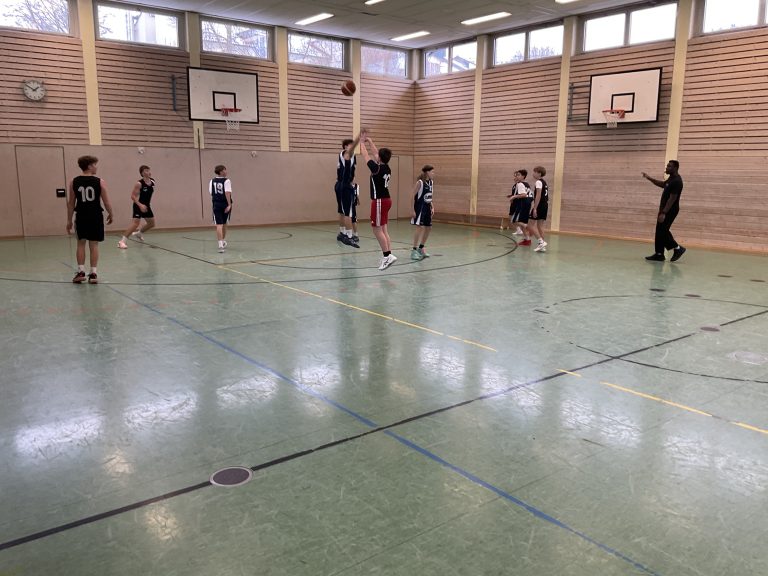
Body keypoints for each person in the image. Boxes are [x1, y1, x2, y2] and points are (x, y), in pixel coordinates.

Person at [66, 155, 114, 284]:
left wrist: (69, 220)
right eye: (95, 164)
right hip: (95, 216)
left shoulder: (73, 181)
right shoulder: (99, 181)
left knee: (81, 243)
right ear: (89, 166)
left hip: (81, 216)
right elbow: (106, 201)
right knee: (94, 245)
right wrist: (111, 213)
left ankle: (81, 272)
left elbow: (71, 203)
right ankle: (93, 274)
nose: (96, 167)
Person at [360, 133, 397, 270]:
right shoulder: (386, 167)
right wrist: (370, 141)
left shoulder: (376, 168)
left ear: (379, 158)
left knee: (376, 230)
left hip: (380, 201)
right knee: (383, 229)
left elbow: (366, 156)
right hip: (387, 200)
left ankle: (387, 256)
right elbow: (376, 154)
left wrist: (362, 143)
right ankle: (388, 255)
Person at [642, 160, 685, 262]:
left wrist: (664, 213)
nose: (666, 168)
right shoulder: (671, 179)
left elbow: (672, 199)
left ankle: (678, 248)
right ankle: (659, 254)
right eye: (667, 166)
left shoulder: (677, 181)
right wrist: (649, 178)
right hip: (665, 209)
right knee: (660, 231)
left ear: (675, 168)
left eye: (669, 166)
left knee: (663, 231)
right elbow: (663, 184)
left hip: (670, 210)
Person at [118, 165, 156, 249]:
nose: (149, 172)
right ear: (142, 173)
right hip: (138, 205)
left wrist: (145, 205)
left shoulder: (153, 181)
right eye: (146, 170)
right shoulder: (139, 183)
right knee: (135, 224)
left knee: (151, 223)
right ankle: (122, 241)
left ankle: (139, 233)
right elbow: (133, 196)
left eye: (149, 170)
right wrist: (140, 205)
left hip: (146, 206)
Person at [335, 135, 362, 248]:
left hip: (340, 184)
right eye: (350, 145)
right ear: (346, 147)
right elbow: (350, 151)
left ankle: (342, 233)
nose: (352, 147)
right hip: (345, 185)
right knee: (348, 213)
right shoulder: (346, 154)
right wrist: (359, 137)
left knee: (342, 211)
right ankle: (349, 237)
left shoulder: (349, 156)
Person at [411, 165, 434, 261]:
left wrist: (432, 206)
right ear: (427, 172)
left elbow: (429, 196)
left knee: (429, 228)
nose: (433, 173)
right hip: (420, 208)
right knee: (419, 227)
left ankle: (421, 248)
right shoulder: (420, 183)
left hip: (427, 207)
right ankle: (414, 250)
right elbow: (412, 195)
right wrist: (412, 209)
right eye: (432, 172)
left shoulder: (431, 182)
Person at [209, 165, 233, 253]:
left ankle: (220, 245)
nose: (226, 171)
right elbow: (227, 193)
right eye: (225, 170)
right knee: (224, 223)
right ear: (221, 171)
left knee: (219, 224)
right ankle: (222, 241)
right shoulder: (227, 180)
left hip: (216, 204)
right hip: (225, 204)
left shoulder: (212, 181)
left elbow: (211, 193)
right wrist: (229, 204)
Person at [507, 169, 533, 246]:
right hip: (527, 204)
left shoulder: (520, 184)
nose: (517, 176)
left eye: (518, 175)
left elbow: (524, 195)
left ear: (523, 176)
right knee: (521, 222)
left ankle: (529, 228)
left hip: (522, 204)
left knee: (514, 221)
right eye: (516, 175)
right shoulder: (526, 184)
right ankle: (527, 240)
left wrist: (514, 197)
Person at [529, 166, 549, 252]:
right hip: (545, 205)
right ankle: (542, 246)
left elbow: (538, 195)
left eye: (535, 172)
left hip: (540, 205)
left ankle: (541, 242)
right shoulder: (544, 182)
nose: (533, 173)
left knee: (530, 225)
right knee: (540, 226)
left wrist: (535, 208)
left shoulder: (538, 182)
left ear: (539, 173)